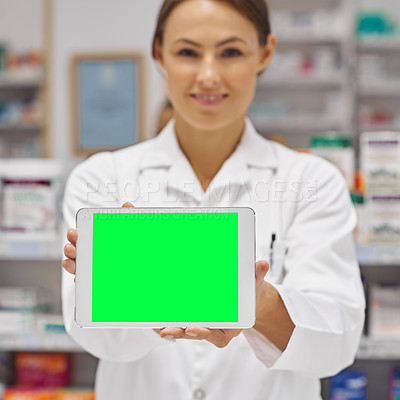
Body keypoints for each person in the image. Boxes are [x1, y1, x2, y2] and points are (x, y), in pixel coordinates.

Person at [62, 1, 365, 399]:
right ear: (159, 53)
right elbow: (91, 334)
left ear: (265, 52)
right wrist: (132, 297)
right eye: (187, 52)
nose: (208, 75)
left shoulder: (312, 181)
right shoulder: (102, 179)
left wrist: (260, 304)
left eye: (231, 52)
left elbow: (337, 340)